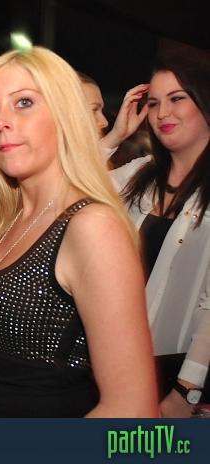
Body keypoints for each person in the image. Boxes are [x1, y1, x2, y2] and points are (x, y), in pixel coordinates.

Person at [0, 46, 158, 417]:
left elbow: (132, 409)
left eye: (24, 102)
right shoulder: (12, 219)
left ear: (65, 114)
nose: (1, 121)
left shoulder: (92, 227)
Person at [111, 52, 210, 417]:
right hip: (119, 362)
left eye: (177, 98)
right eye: (153, 103)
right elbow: (68, 193)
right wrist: (116, 136)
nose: (162, 113)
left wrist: (185, 392)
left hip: (181, 375)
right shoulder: (139, 175)